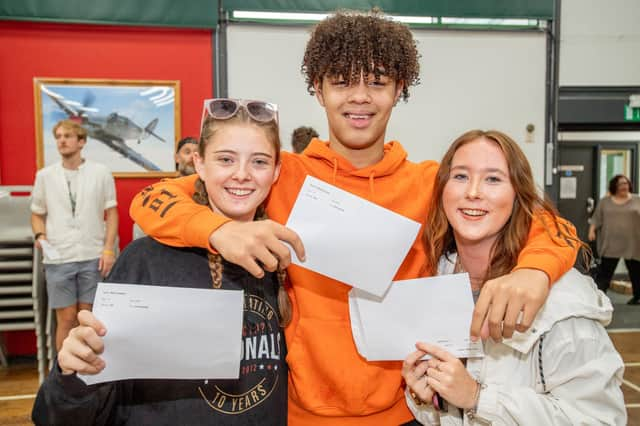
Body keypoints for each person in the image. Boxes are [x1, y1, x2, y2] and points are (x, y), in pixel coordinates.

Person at [129, 11, 579, 425]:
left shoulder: (429, 184)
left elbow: (547, 221)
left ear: (399, 89)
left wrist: (535, 271)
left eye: (378, 82)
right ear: (318, 89)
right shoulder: (282, 176)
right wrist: (220, 230)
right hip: (299, 413)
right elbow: (151, 198)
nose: (359, 97)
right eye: (342, 82)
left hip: (406, 412)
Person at [32, 99, 290, 425]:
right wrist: (71, 372)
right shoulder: (145, 262)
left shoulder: (281, 261)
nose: (242, 174)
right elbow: (57, 414)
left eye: (259, 162)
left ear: (277, 171)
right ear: (199, 163)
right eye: (225, 159)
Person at [402, 130, 626, 425]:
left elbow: (601, 419)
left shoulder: (561, 299)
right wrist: (425, 398)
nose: (473, 191)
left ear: (517, 195)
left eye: (493, 179)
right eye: (460, 176)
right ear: (441, 190)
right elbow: (445, 413)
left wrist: (478, 398)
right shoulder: (436, 280)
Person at [31, 119, 118, 351]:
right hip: (59, 257)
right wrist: (40, 234)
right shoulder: (44, 176)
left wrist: (109, 249)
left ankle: (89, 374)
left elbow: (112, 213)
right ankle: (65, 376)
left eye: (67, 136)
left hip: (92, 255)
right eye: (58, 137)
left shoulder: (101, 173)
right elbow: (36, 214)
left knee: (87, 317)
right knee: (67, 318)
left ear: (81, 142)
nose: (62, 141)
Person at [589, 174, 640, 305]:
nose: (624, 186)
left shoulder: (637, 200)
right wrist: (591, 231)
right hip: (611, 243)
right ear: (614, 186)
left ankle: (638, 297)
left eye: (626, 183)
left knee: (636, 272)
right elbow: (596, 218)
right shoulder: (605, 201)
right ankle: (599, 297)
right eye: (621, 184)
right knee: (605, 273)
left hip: (633, 243)